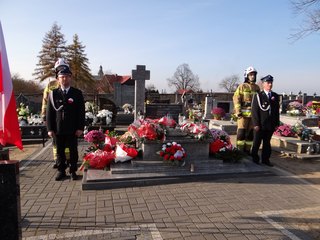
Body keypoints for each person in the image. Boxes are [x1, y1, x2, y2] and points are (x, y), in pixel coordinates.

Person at [46, 59, 85, 181]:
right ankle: (61, 171)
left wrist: (80, 128)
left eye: (67, 77)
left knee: (73, 151)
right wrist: (50, 129)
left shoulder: (77, 93)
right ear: (58, 79)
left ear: (70, 78)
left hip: (72, 128)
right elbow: (49, 113)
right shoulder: (53, 94)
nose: (64, 79)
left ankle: (73, 171)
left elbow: (81, 112)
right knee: (59, 151)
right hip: (58, 128)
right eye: (62, 77)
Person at [41, 59, 70, 168]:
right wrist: (44, 115)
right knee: (55, 141)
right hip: (54, 117)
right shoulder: (50, 85)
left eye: (63, 69)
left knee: (67, 142)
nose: (61, 71)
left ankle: (68, 159)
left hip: (66, 118)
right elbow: (45, 101)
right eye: (59, 69)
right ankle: (57, 160)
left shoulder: (68, 82)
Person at [251, 75, 280, 166]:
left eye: (271, 82)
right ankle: (255, 159)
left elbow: (276, 111)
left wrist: (276, 123)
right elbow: (254, 111)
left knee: (267, 144)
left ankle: (265, 160)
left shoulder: (275, 96)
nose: (270, 84)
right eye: (268, 83)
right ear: (263, 84)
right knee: (257, 142)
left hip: (270, 124)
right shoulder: (258, 96)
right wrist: (256, 124)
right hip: (260, 124)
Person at [233, 66, 261, 153]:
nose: (252, 76)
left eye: (254, 75)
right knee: (241, 133)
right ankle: (239, 151)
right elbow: (236, 99)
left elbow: (259, 102)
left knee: (250, 134)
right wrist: (238, 112)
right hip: (242, 116)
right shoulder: (242, 86)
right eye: (251, 75)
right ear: (247, 76)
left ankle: (247, 150)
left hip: (253, 116)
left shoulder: (257, 88)